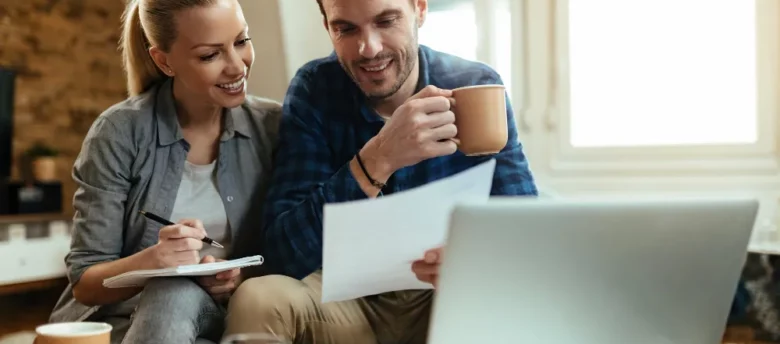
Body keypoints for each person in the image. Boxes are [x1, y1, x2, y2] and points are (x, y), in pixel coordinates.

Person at [223, 0, 537, 342]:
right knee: (258, 298)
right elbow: (282, 255)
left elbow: (525, 233)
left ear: (419, 8)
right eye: (346, 28)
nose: (368, 49)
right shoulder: (315, 89)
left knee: (502, 296)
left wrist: (473, 259)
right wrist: (377, 159)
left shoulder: (475, 85)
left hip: (445, 298)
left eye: (386, 21)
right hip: (346, 302)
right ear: (327, 25)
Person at [48, 0, 281, 343]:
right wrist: (155, 261)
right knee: (170, 290)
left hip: (229, 313)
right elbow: (85, 284)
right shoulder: (119, 132)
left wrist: (240, 279)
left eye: (242, 41)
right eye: (209, 55)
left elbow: (297, 245)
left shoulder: (274, 127)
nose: (236, 66)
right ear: (163, 60)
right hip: (126, 321)